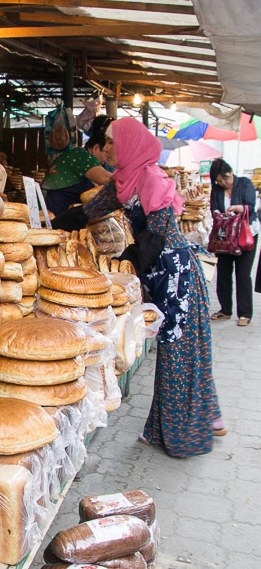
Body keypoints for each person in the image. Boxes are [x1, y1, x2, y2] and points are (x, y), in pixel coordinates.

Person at [83, 117, 224, 458]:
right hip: (158, 269)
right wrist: (48, 225)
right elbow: (91, 211)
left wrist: (126, 265)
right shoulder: (124, 179)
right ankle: (201, 419)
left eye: (112, 142)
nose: (107, 148)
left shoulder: (150, 178)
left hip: (175, 275)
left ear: (128, 145)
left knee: (178, 349)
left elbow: (156, 238)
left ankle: (183, 437)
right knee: (181, 348)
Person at [208, 158, 259, 326]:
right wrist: (219, 213)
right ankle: (225, 310)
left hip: (245, 235)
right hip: (224, 237)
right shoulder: (216, 190)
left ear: (230, 173)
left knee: (243, 274)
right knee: (223, 273)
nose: (223, 183)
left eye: (225, 179)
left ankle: (245, 313)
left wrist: (239, 208)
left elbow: (251, 206)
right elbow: (213, 208)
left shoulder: (244, 183)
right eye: (219, 180)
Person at [42, 115, 113, 216]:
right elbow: (106, 178)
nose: (106, 158)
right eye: (105, 152)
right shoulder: (82, 156)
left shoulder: (80, 155)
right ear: (96, 148)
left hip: (56, 209)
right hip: (49, 207)